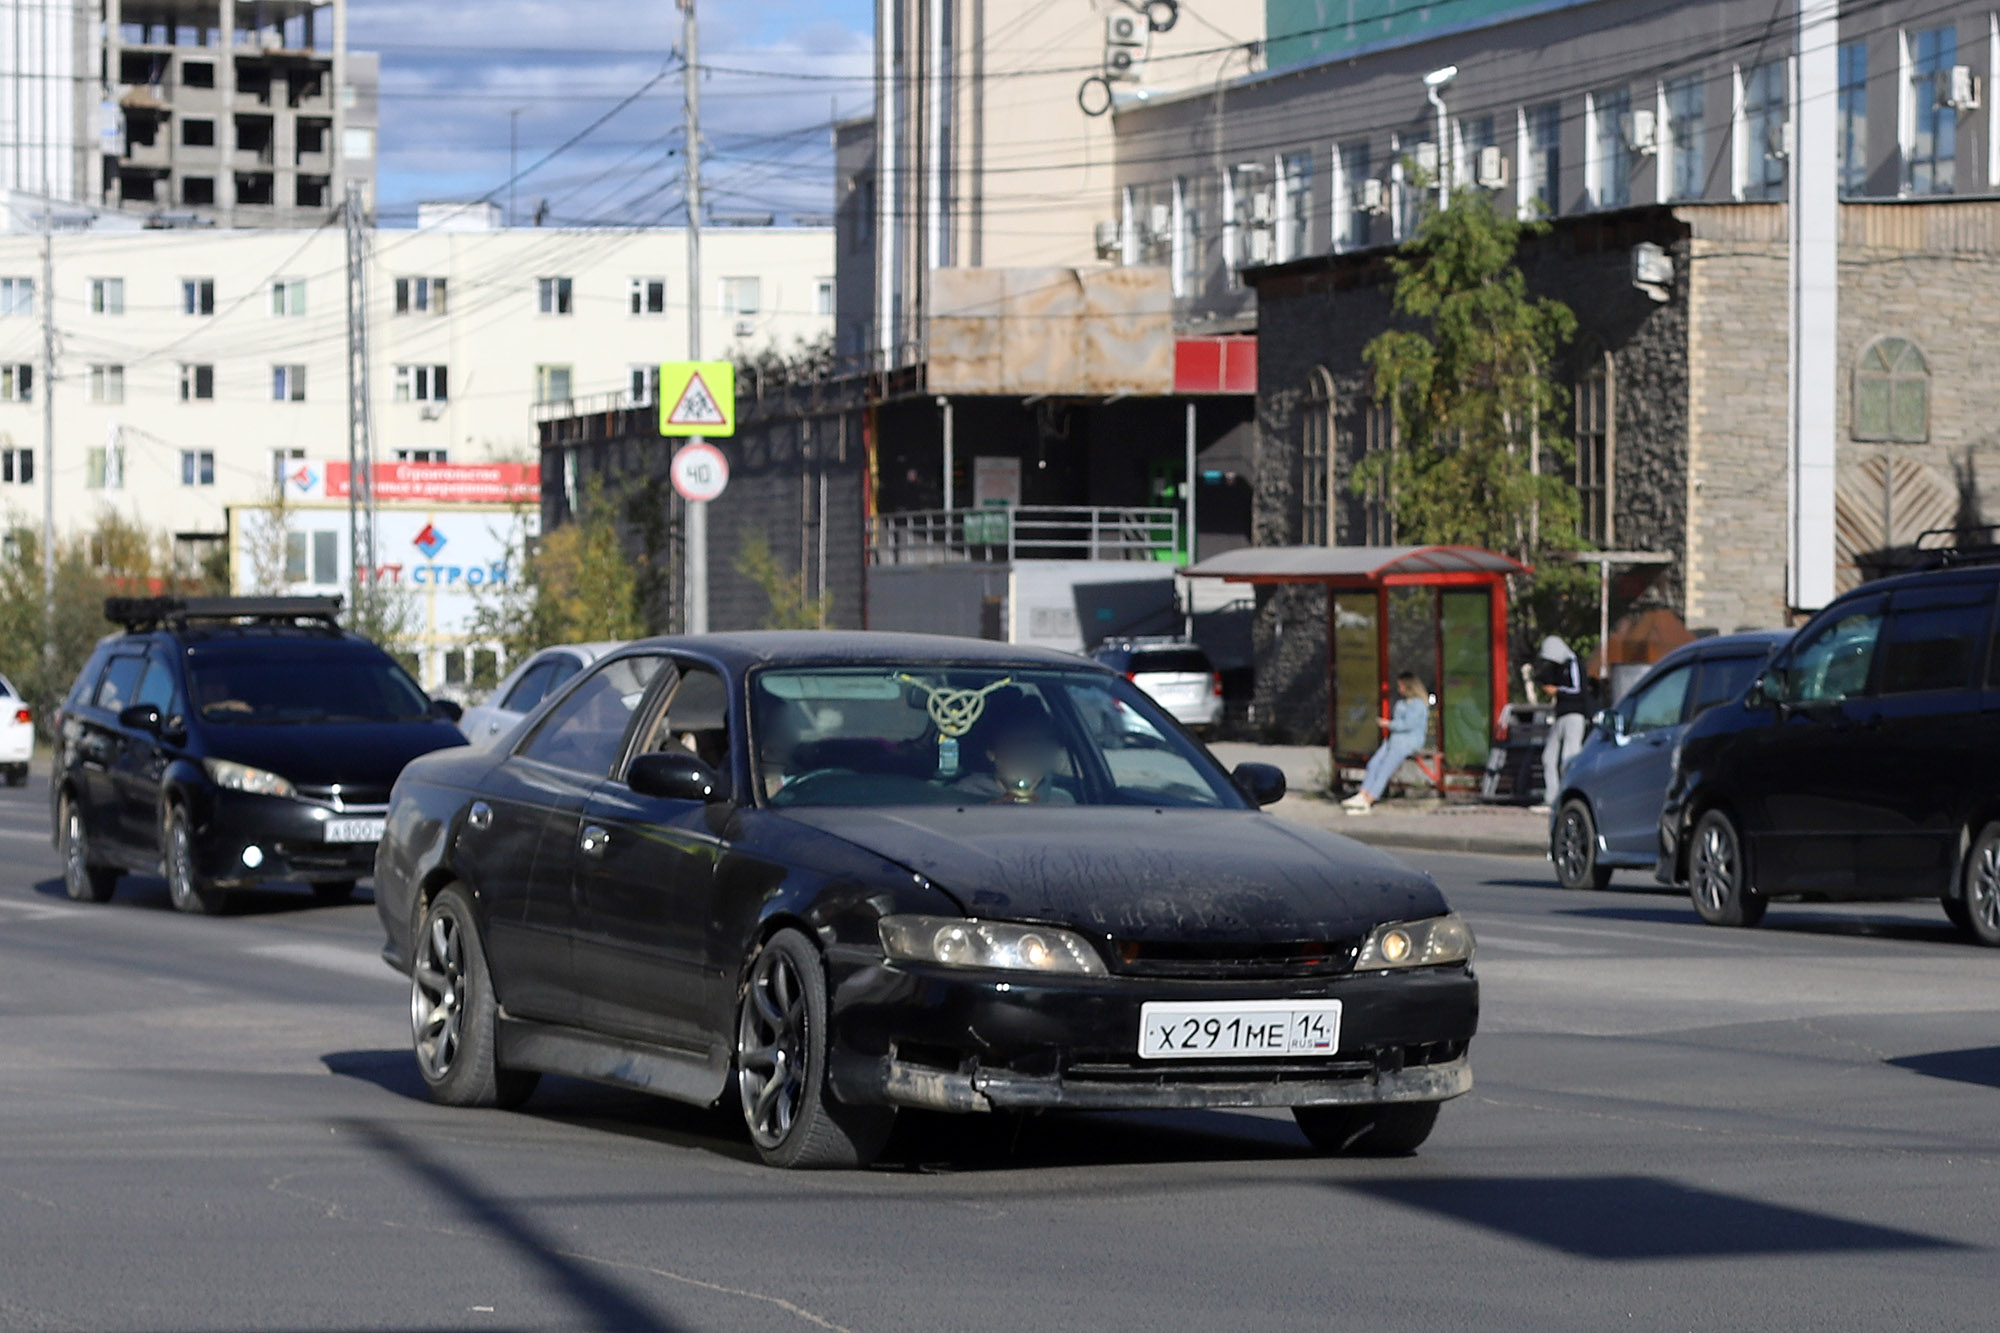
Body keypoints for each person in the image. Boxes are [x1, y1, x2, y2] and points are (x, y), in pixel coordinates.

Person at [953, 688, 1076, 805]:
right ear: (992, 753)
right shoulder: (963, 796)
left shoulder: (1061, 803)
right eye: (1019, 746)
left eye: (1038, 748)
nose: (1029, 758)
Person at [1342, 673, 1430, 813]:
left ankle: (1369, 800)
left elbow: (1408, 724)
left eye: (1401, 685)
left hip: (1408, 742)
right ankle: (1362, 794)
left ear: (1409, 687)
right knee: (1374, 763)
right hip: (1393, 740)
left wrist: (1388, 724)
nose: (1398, 688)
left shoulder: (1418, 705)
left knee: (1385, 768)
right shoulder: (1402, 703)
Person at [1534, 635, 1588, 811]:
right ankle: (1551, 797)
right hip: (1560, 715)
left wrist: (1557, 690)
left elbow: (1578, 690)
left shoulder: (1574, 663)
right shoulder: (1559, 667)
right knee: (1548, 756)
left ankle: (1569, 796)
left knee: (1569, 757)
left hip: (1574, 715)